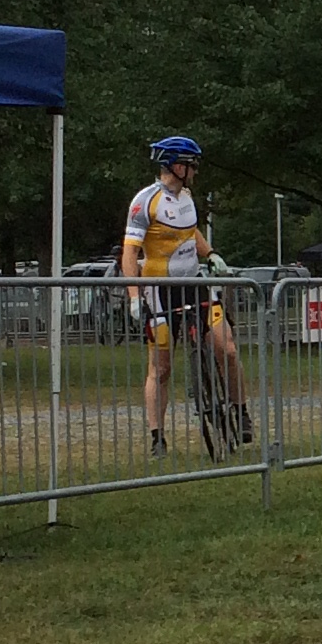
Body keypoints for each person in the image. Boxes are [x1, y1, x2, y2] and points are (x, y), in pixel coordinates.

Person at [122, 136, 247, 453]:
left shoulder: (187, 198)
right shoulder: (145, 201)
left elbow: (191, 232)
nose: (196, 171)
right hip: (160, 291)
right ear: (177, 166)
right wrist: (135, 296)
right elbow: (129, 252)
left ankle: (241, 409)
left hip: (195, 284)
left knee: (228, 349)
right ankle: (157, 437)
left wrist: (211, 254)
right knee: (161, 368)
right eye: (192, 165)